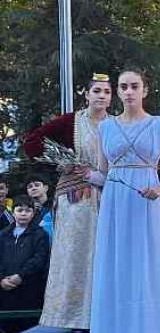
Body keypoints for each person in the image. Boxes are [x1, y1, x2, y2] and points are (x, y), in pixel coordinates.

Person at [85, 69, 160, 333]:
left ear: (144, 90)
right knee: (115, 263)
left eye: (134, 86)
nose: (129, 91)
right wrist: (79, 173)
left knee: (147, 265)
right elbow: (103, 174)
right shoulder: (105, 128)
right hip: (115, 205)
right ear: (117, 91)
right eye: (124, 87)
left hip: (147, 204)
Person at [22, 73, 111, 331]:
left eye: (106, 92)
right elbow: (32, 142)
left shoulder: (116, 124)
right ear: (86, 94)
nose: (101, 96)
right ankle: (74, 319)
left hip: (108, 196)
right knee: (76, 256)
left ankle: (104, 315)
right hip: (76, 199)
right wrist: (60, 161)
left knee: (105, 256)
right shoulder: (71, 122)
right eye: (96, 91)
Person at [0, 195, 51, 333]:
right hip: (5, 293)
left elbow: (39, 259)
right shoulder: (3, 235)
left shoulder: (40, 235)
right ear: (13, 212)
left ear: (33, 213)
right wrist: (2, 279)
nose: (23, 214)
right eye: (19, 210)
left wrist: (21, 275)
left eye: (27, 210)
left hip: (30, 291)